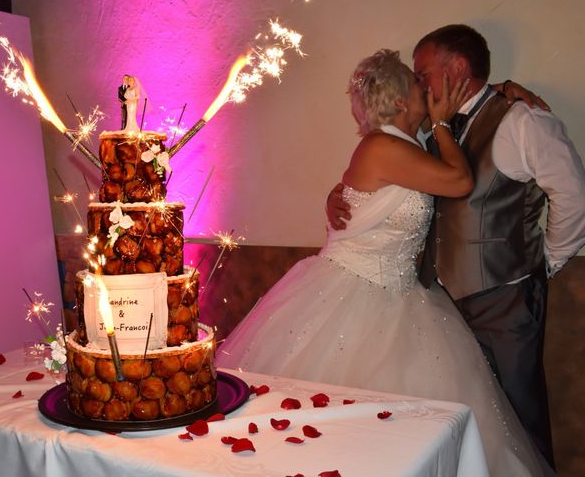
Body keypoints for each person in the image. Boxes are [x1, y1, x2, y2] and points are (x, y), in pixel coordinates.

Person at [218, 49, 553, 476]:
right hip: (353, 291)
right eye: (417, 84)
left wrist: (502, 91)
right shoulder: (383, 145)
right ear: (399, 101)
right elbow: (458, 180)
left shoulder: (410, 145)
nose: (426, 88)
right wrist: (442, 122)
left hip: (402, 292)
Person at [328, 25, 585, 469]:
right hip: (438, 303)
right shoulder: (430, 130)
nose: (419, 82)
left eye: (423, 72)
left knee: (519, 421)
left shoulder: (521, 120)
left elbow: (574, 194)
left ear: (458, 68)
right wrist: (339, 193)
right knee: (464, 423)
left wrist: (547, 263)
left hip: (504, 300)